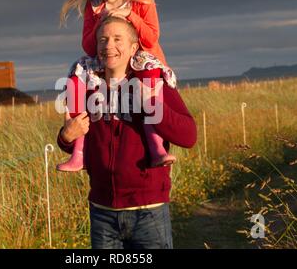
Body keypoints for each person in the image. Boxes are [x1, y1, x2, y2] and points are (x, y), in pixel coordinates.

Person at [57, 17, 197, 249]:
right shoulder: (87, 87)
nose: (108, 45)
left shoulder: (154, 84)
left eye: (117, 39)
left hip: (148, 211)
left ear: (133, 48)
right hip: (102, 212)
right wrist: (66, 137)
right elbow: (75, 141)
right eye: (103, 39)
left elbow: (188, 136)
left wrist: (153, 106)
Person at [57, 0, 177, 172]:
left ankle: (156, 146)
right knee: (76, 77)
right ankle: (78, 152)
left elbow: (151, 38)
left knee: (149, 82)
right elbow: (89, 46)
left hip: (141, 56)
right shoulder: (95, 4)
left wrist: (130, 16)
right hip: (107, 59)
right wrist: (100, 24)